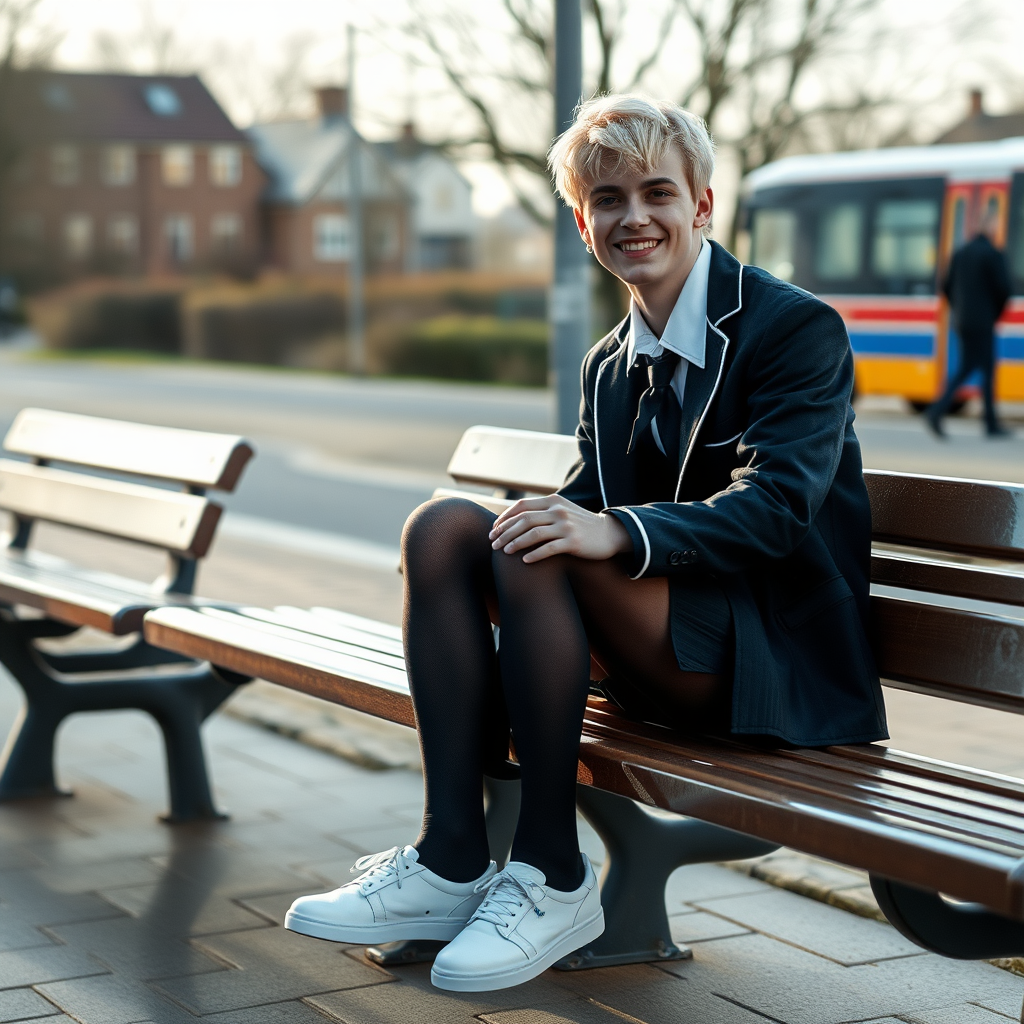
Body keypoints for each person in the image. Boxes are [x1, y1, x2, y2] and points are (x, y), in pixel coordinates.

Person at [282, 95, 886, 993]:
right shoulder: (609, 360)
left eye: (657, 192)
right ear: (582, 222)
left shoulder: (793, 328)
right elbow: (584, 501)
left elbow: (778, 506)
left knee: (551, 547)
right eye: (607, 200)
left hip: (770, 664)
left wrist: (612, 532)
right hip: (657, 643)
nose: (633, 216)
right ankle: (450, 857)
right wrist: (511, 545)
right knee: (443, 526)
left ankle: (553, 871)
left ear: (703, 205)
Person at [927, 208, 1013, 438]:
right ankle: (944, 412)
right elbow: (1004, 289)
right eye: (995, 224)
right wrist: (993, 314)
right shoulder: (993, 254)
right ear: (989, 227)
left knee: (970, 367)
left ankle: (982, 421)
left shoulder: (960, 252)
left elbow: (945, 286)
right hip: (984, 323)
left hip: (962, 321)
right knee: (983, 370)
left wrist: (960, 309)